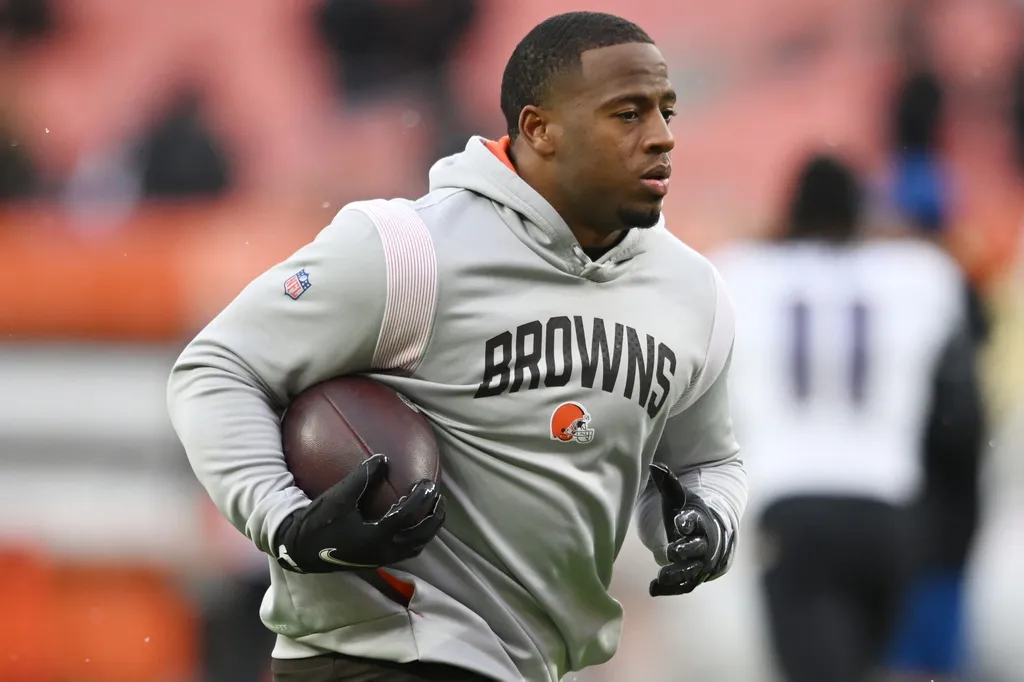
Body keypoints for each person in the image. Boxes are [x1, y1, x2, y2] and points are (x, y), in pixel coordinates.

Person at [167, 11, 747, 682]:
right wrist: (285, 521)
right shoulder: (410, 251)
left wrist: (706, 521)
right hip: (379, 656)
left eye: (665, 112)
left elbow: (705, 462)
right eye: (627, 114)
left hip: (532, 667)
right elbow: (217, 367)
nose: (661, 138)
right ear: (540, 129)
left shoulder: (693, 293)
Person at [711, 154, 984, 682]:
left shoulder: (739, 273)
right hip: (888, 513)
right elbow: (961, 413)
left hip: (792, 506)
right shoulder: (920, 275)